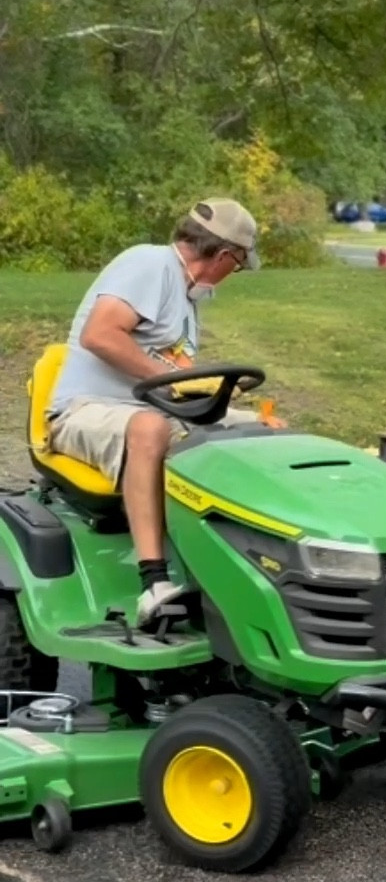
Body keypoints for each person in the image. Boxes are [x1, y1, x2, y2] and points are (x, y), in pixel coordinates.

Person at [48, 198, 265, 625]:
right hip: (84, 410)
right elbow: (100, 335)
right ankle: (154, 582)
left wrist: (208, 389)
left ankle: (249, 566)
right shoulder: (150, 264)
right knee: (150, 429)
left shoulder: (186, 299)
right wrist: (176, 381)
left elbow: (170, 368)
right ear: (224, 255)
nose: (234, 273)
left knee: (265, 432)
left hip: (151, 410)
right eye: (239, 264)